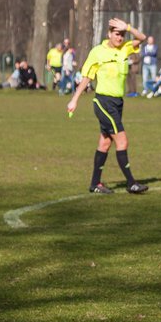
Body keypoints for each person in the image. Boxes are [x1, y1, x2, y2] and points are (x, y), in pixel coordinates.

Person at [67, 18, 149, 195]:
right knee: (122, 140)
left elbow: (142, 38)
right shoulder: (97, 52)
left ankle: (95, 183)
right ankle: (131, 183)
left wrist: (128, 27)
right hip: (103, 102)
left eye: (122, 35)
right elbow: (87, 77)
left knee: (105, 143)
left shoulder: (125, 48)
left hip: (118, 103)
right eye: (117, 34)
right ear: (109, 34)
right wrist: (74, 99)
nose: (120, 38)